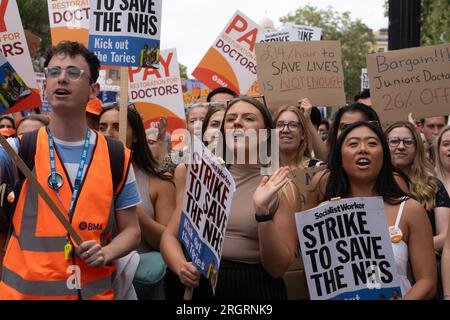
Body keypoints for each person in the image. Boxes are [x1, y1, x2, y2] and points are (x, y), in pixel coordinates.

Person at [0, 41, 141, 300]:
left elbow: (132, 231)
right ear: (45, 86)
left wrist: (107, 252)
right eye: (54, 72)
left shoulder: (116, 156)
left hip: (91, 294)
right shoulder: (18, 149)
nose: (61, 79)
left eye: (73, 73)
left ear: (93, 89)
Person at [161, 96, 300, 299]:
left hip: (256, 290)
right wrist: (181, 266)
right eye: (231, 118)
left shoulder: (282, 186)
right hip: (203, 287)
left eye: (249, 118)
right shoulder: (204, 177)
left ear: (266, 135)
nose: (237, 122)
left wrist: (263, 213)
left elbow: (277, 268)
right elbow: (169, 237)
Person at [305, 121, 436, 299]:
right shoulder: (322, 214)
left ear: (384, 156)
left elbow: (427, 281)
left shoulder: (410, 210)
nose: (363, 149)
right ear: (340, 159)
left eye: (372, 143)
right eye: (353, 144)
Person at [99, 104, 175, 299]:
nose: (108, 133)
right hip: (96, 280)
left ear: (135, 136)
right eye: (102, 127)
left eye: (117, 127)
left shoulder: (159, 181)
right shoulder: (83, 177)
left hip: (143, 283)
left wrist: (131, 207)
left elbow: (167, 242)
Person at [385, 121, 450, 299]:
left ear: (417, 148)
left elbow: (446, 237)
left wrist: (416, 250)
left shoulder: (433, 186)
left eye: (408, 142)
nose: (400, 147)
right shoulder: (372, 188)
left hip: (428, 274)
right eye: (394, 141)